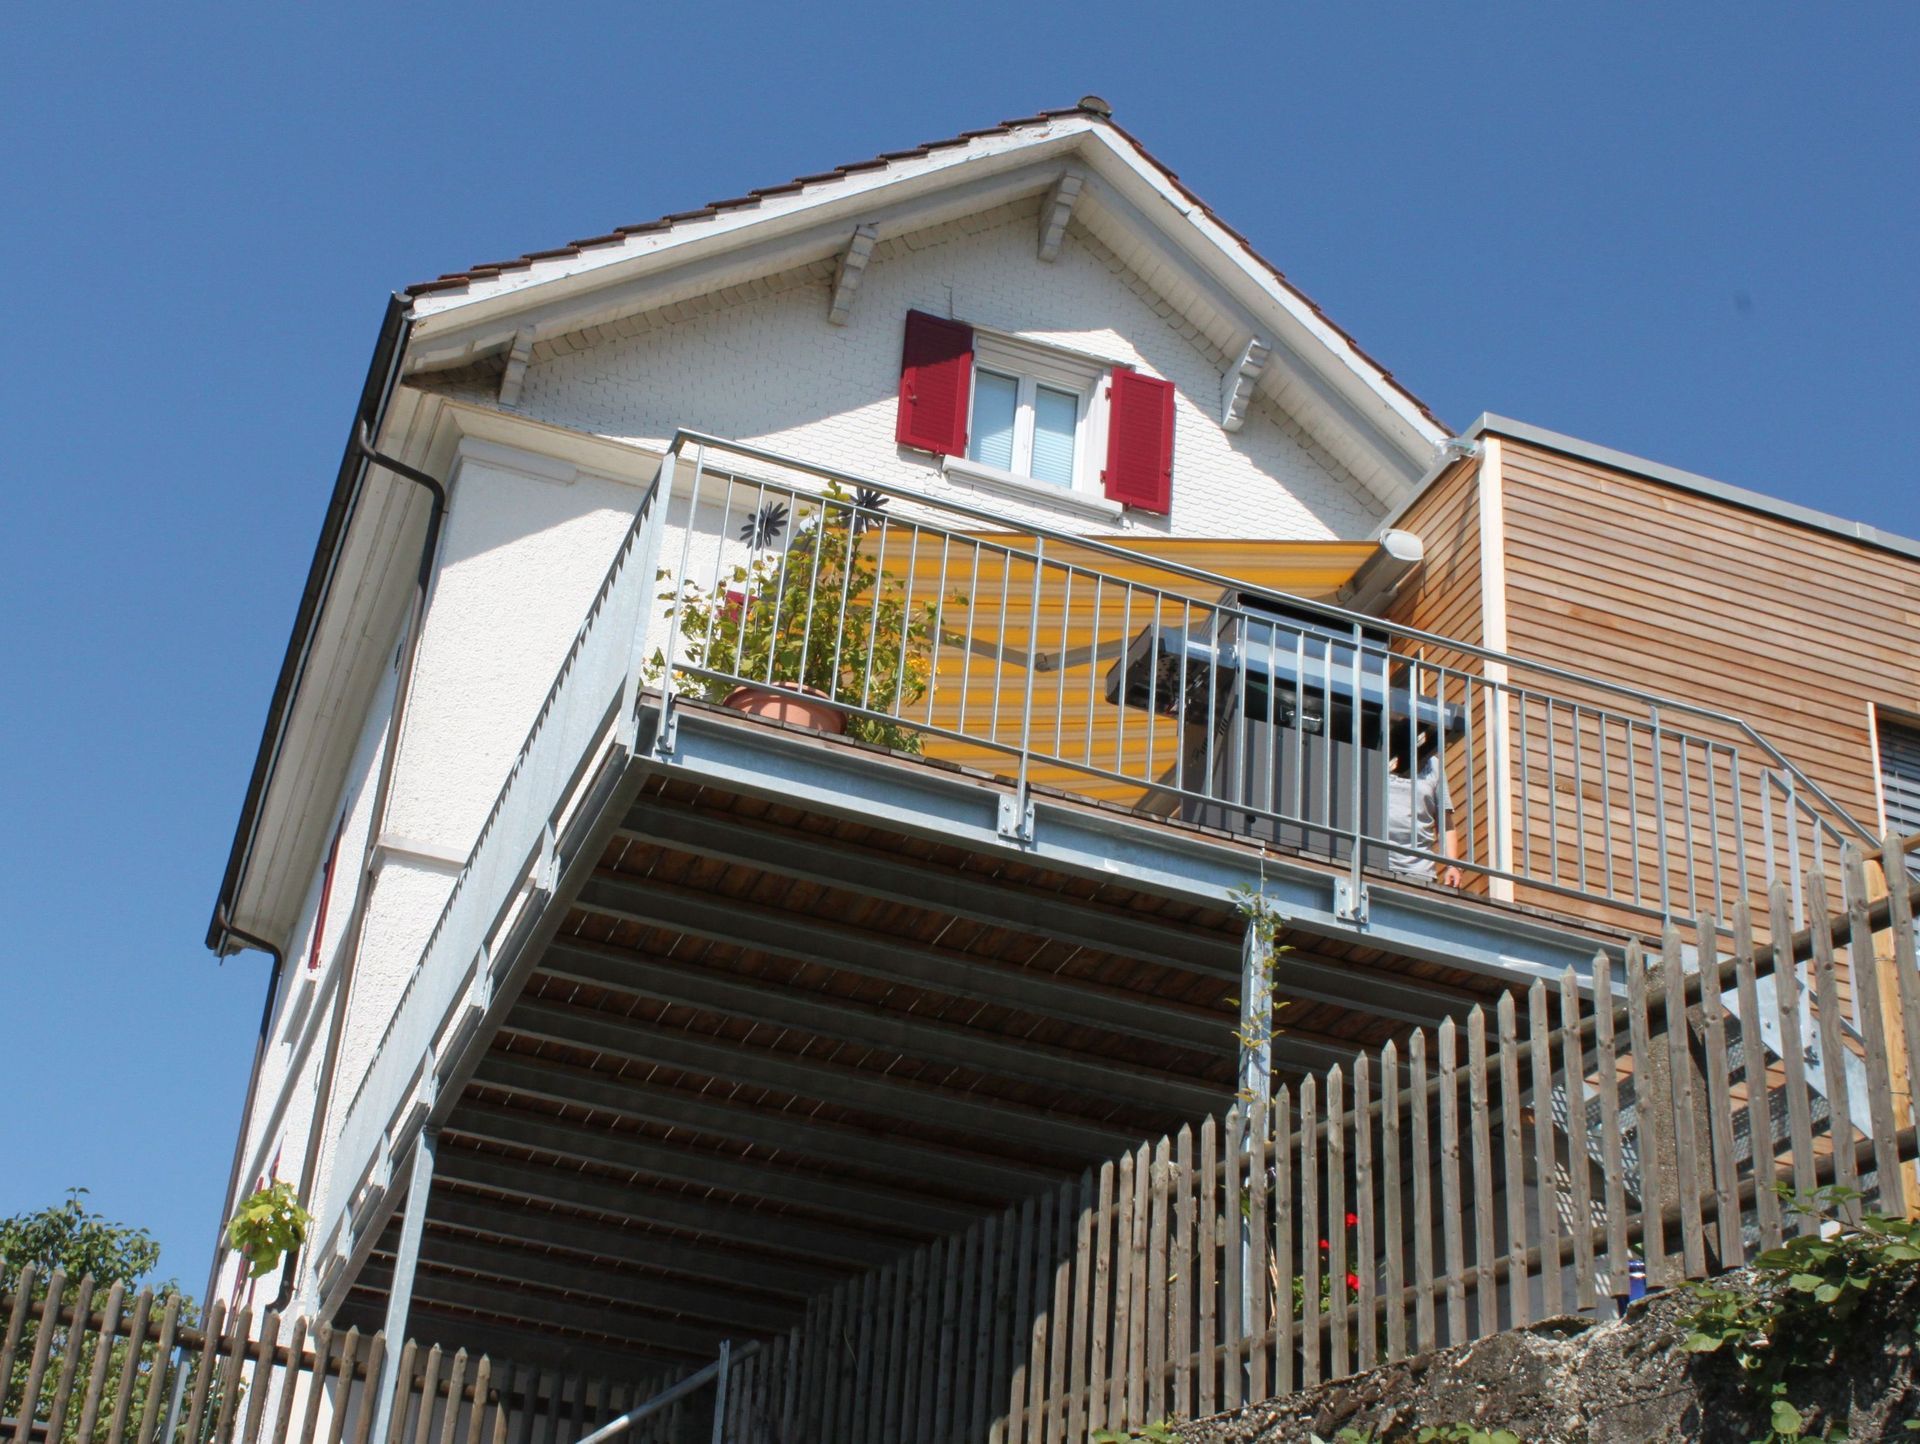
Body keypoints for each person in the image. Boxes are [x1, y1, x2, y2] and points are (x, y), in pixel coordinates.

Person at [1384, 722, 1463, 886]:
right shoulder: (1377, 751)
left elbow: (1446, 824)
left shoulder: (1433, 765)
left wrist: (1453, 866)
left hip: (1420, 870)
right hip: (1377, 861)